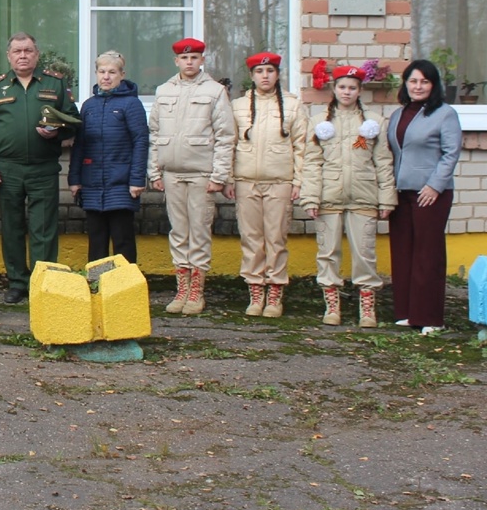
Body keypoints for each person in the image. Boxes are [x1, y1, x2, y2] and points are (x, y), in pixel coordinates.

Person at [0, 31, 79, 304]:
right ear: (9, 56)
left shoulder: (55, 85)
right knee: (12, 227)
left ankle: (44, 282)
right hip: (7, 169)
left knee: (44, 228)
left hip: (43, 168)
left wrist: (55, 130)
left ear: (37, 54)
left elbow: (74, 119)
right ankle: (17, 283)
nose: (23, 55)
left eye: (28, 50)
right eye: (17, 51)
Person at [301, 65, 396, 327]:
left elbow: (383, 161)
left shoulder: (373, 122)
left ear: (360, 91)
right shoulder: (319, 122)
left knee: (364, 252)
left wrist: (386, 198)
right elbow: (311, 162)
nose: (347, 92)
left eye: (352, 87)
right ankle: (332, 306)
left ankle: (367, 309)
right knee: (328, 251)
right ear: (334, 89)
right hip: (328, 196)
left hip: (364, 195)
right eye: (342, 87)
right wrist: (310, 197)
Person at [148, 38, 235, 315]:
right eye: (184, 58)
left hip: (201, 174)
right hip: (171, 173)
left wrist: (219, 176)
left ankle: (196, 292)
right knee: (178, 232)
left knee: (198, 232)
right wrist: (154, 171)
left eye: (194, 58)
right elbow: (154, 133)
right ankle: (181, 289)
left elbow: (225, 136)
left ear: (202, 61)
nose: (189, 62)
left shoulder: (215, 91)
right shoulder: (163, 90)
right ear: (176, 61)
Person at [224, 52, 309, 318]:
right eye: (260, 72)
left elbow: (302, 146)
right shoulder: (238, 106)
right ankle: (255, 290)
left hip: (279, 181)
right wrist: (228, 177)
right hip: (246, 181)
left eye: (270, 71)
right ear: (251, 76)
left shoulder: (293, 106)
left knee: (276, 238)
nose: (265, 76)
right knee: (251, 239)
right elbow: (229, 144)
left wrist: (298, 180)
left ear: (277, 74)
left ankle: (275, 292)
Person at [386, 59, 462, 335]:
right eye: (413, 81)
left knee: (427, 255)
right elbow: (391, 152)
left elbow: (451, 153)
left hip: (430, 194)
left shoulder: (445, 114)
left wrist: (435, 186)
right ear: (406, 84)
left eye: (424, 81)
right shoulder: (399, 114)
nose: (418, 86)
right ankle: (408, 313)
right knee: (403, 251)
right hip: (401, 193)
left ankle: (431, 317)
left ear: (433, 85)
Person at [67, 50, 148, 264]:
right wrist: (74, 179)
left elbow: (141, 141)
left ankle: (125, 286)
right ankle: (97, 284)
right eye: (102, 71)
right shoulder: (88, 106)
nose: (106, 76)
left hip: (121, 184)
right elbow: (80, 144)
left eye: (112, 72)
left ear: (122, 75)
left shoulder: (132, 105)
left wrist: (137, 180)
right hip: (92, 184)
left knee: (122, 240)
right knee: (96, 239)